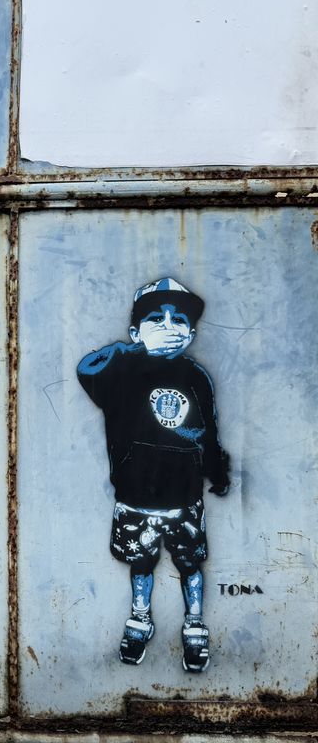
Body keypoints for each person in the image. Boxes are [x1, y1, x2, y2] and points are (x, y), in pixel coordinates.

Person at [77, 277, 230, 672]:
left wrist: (217, 471)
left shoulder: (195, 377)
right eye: (155, 319)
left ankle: (194, 625)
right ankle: (140, 620)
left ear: (191, 335)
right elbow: (87, 368)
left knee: (190, 565)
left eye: (178, 320)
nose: (167, 326)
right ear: (135, 332)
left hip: (184, 498)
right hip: (135, 498)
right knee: (141, 564)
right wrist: (135, 351)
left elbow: (209, 431)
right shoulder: (121, 372)